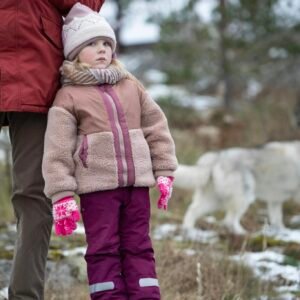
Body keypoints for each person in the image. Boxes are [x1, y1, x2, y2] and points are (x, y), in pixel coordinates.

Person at [42, 3, 178, 300]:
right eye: (92, 43)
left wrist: (164, 170)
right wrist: (62, 194)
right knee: (103, 247)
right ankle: (108, 296)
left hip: (137, 186)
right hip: (98, 189)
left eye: (106, 43)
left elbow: (157, 127)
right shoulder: (68, 96)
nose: (102, 49)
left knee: (139, 244)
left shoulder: (132, 86)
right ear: (75, 52)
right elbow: (57, 149)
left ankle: (145, 295)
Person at [0, 1, 105, 299]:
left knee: (33, 194)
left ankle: (24, 296)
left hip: (32, 70)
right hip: (35, 66)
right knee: (33, 194)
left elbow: (85, 5)